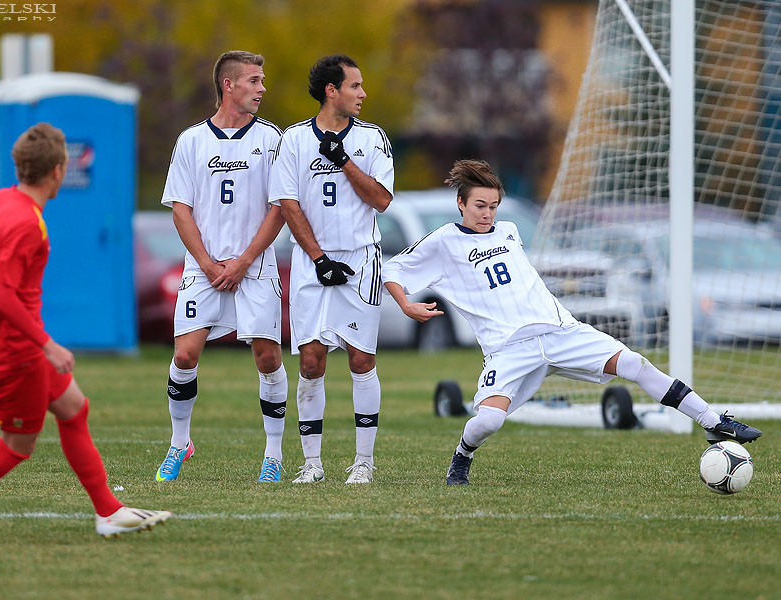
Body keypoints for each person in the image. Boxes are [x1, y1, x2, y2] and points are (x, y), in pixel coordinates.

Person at [381, 159, 762, 485]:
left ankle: (714, 422)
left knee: (635, 364)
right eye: (480, 205)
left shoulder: (510, 231)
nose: (488, 214)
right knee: (489, 422)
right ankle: (462, 456)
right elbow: (393, 268)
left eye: (494, 206)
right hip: (509, 349)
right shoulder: (443, 241)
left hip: (561, 331)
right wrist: (406, 304)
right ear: (461, 203)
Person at [0, 123, 171, 542]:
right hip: (18, 350)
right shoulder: (27, 224)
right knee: (17, 445)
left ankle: (109, 511)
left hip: (13, 341)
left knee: (73, 408)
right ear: (58, 171)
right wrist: (47, 345)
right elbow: (2, 295)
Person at [157, 51, 288, 483]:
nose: (262, 88)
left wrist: (243, 262)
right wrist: (210, 264)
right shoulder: (191, 140)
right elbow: (180, 209)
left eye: (262, 80)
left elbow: (280, 208)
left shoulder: (271, 138)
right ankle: (180, 443)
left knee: (267, 358)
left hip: (255, 268)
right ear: (228, 85)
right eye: (254, 80)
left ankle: (273, 456)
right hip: (204, 269)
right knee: (184, 354)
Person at [269, 54, 394, 484]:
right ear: (331, 90)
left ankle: (364, 463)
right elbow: (288, 204)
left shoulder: (373, 139)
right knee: (311, 362)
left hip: (362, 259)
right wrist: (319, 259)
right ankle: (312, 463)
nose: (363, 93)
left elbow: (381, 199)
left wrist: (343, 160)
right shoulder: (294, 140)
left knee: (361, 360)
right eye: (355, 86)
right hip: (310, 263)